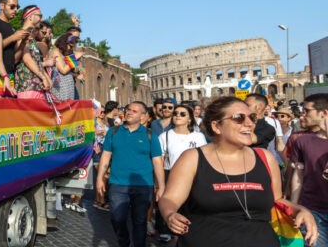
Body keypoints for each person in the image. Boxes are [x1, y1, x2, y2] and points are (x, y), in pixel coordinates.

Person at [158, 96, 317, 247]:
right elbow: (170, 198)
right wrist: (170, 214)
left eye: (252, 118)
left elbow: (277, 200)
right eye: (239, 118)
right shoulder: (192, 158)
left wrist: (300, 210)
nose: (249, 124)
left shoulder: (265, 158)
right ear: (216, 126)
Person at [96, 101, 165, 247]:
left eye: (134, 111)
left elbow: (158, 161)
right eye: (128, 109)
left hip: (143, 185)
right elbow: (105, 157)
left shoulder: (149, 135)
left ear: (143, 116)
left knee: (139, 221)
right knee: (117, 218)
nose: (129, 112)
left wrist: (161, 185)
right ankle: (124, 242)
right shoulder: (113, 132)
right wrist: (100, 179)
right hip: (118, 184)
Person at [155, 104, 207, 243]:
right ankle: (165, 230)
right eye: (176, 113)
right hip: (170, 173)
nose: (177, 115)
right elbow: (159, 160)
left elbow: (203, 157)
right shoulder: (164, 136)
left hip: (193, 174)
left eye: (182, 114)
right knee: (167, 202)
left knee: (190, 204)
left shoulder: (199, 136)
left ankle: (187, 230)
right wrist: (159, 183)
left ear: (189, 119)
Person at [290, 93, 328, 247]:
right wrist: (293, 207)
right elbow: (298, 175)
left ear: (324, 112)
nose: (302, 114)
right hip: (313, 212)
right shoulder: (302, 141)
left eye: (307, 110)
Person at [13, 5, 52, 99]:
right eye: (39, 16)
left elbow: (37, 61)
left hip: (37, 87)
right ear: (30, 17)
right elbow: (27, 59)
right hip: (27, 88)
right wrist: (43, 77)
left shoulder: (32, 38)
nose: (41, 19)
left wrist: (47, 78)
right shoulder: (21, 34)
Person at [0, 0, 29, 80]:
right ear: (2, 6)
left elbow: (14, 59)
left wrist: (23, 43)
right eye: (12, 6)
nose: (15, 10)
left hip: (10, 75)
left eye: (17, 7)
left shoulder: (11, 28)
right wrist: (13, 38)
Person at [49, 32, 83, 101]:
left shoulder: (63, 54)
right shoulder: (56, 52)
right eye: (70, 46)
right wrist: (74, 58)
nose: (71, 48)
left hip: (67, 89)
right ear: (64, 43)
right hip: (60, 89)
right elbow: (63, 70)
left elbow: (69, 71)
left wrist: (77, 74)